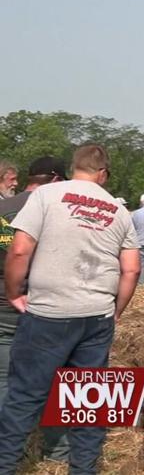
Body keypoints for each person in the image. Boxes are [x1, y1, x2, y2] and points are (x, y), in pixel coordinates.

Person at [0, 144, 141, 474]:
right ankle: (82, 468)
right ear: (103, 173)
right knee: (87, 402)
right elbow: (132, 270)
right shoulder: (118, 210)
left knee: (24, 395)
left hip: (48, 311)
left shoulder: (46, 197)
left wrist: (14, 293)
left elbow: (19, 251)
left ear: (74, 167)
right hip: (96, 315)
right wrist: (116, 310)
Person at [0, 156, 70, 462]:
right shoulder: (60, 213)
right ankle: (57, 453)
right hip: (48, 308)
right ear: (55, 179)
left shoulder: (3, 209)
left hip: (3, 306)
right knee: (57, 376)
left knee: (4, 378)